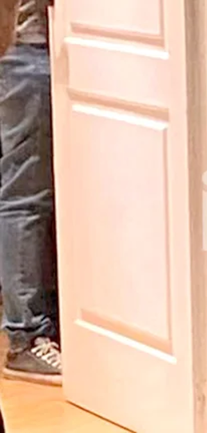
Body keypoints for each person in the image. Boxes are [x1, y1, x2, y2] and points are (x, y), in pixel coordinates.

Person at [0, 0, 61, 386]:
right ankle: (25, 334)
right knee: (25, 196)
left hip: (30, 47)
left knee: (27, 193)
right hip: (27, 50)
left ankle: (36, 323)